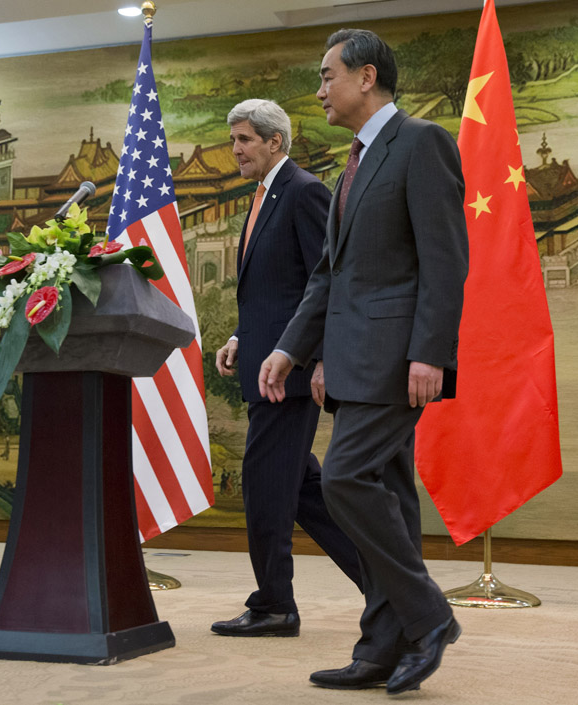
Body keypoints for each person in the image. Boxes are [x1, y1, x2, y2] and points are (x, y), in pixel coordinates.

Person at [258, 30, 469, 694]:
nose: (319, 90)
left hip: (394, 359)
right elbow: (328, 277)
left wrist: (430, 352)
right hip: (350, 362)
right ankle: (382, 644)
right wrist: (294, 348)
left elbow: (445, 259)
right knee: (393, 502)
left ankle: (429, 616)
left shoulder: (422, 143)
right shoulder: (347, 164)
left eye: (327, 77)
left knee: (343, 479)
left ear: (366, 76)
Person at [211, 99, 362, 638]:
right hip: (264, 364)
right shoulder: (264, 195)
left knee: (264, 489)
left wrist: (318, 357)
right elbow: (277, 290)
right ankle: (391, 587)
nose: (236, 150)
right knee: (304, 494)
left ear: (276, 141)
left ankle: (275, 605)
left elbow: (327, 282)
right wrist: (239, 338)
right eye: (234, 141)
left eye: (245, 140)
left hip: (289, 376)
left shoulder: (303, 192)